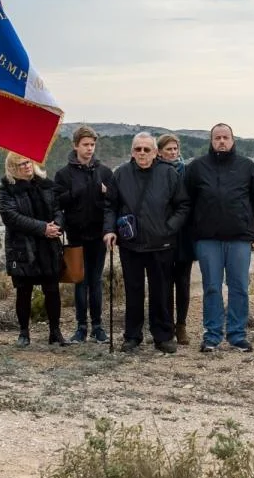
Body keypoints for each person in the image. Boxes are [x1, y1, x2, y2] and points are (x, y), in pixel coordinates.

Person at [103, 132, 190, 354]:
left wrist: (168, 228)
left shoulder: (168, 174)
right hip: (131, 244)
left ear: (155, 152)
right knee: (133, 291)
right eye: (138, 149)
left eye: (146, 149)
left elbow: (183, 205)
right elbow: (110, 206)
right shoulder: (121, 174)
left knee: (161, 292)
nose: (142, 153)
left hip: (161, 244)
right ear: (132, 151)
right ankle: (132, 336)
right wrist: (109, 231)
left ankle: (163, 336)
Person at [183, 123, 254, 353]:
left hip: (239, 238)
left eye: (225, 137)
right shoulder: (197, 168)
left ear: (232, 140)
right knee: (211, 287)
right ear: (211, 141)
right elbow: (186, 200)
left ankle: (237, 335)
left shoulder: (246, 167)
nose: (221, 141)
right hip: (207, 239)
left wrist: (245, 218)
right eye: (217, 137)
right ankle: (212, 335)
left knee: (239, 286)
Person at [0, 152, 68, 347]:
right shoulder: (7, 188)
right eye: (20, 164)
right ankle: (23, 333)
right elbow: (10, 216)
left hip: (49, 246)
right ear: (12, 168)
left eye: (28, 161)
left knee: (52, 290)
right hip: (23, 247)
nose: (26, 166)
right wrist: (43, 228)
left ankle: (55, 332)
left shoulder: (46, 184)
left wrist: (56, 226)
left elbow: (58, 209)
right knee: (23, 291)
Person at [54, 125, 114, 343]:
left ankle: (98, 327)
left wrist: (109, 196)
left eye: (92, 145)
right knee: (80, 280)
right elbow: (57, 202)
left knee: (95, 281)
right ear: (75, 146)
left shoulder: (105, 172)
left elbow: (112, 205)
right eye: (85, 145)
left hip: (99, 235)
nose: (90, 149)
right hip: (76, 235)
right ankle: (81, 327)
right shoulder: (63, 174)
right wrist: (76, 192)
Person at [156, 133, 194, 345]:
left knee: (183, 282)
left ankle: (181, 324)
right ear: (160, 151)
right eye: (168, 149)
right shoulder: (155, 171)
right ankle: (166, 324)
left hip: (184, 234)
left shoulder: (187, 173)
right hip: (161, 233)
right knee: (164, 282)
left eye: (175, 149)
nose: (172, 153)